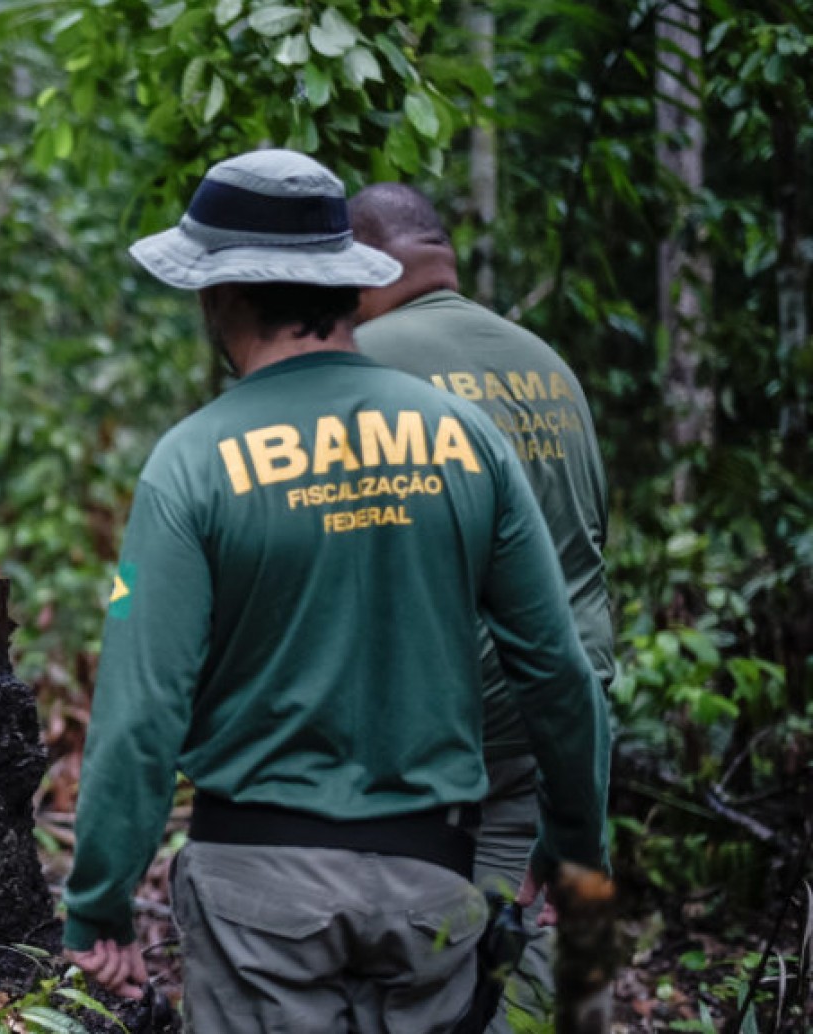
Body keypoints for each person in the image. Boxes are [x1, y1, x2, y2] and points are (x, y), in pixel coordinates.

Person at [60, 148, 610, 1033]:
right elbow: (557, 667)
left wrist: (100, 903)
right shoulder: (464, 438)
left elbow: (142, 714)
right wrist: (575, 841)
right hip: (434, 882)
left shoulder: (191, 462)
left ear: (220, 294)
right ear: (348, 287)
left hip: (256, 897)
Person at [350, 182, 616, 1032]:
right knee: (526, 951)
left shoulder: (360, 366)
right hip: (560, 724)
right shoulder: (551, 367)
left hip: (430, 735)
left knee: (406, 978)